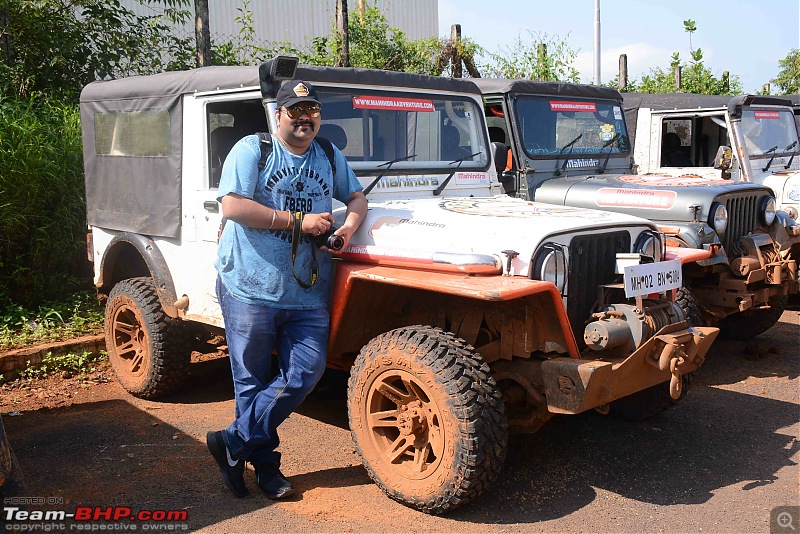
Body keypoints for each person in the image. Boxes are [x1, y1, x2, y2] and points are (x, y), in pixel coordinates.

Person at [207, 80, 367, 499]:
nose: (304, 118)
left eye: (312, 110)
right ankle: (266, 471)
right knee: (252, 381)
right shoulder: (252, 149)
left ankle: (231, 442)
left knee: (306, 373)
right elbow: (233, 206)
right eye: (295, 111)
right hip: (248, 285)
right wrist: (298, 222)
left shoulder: (328, 153)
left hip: (306, 292)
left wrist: (347, 228)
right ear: (278, 115)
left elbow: (356, 197)